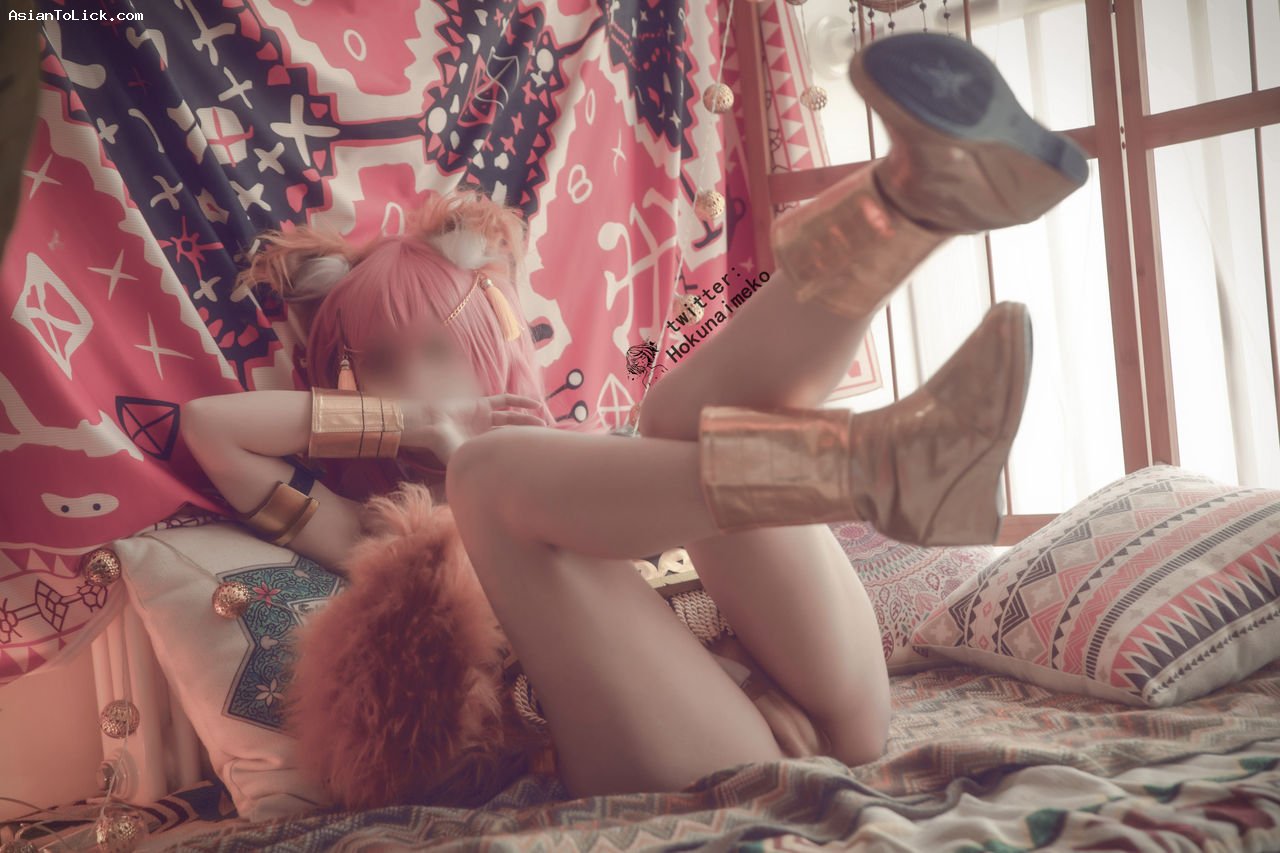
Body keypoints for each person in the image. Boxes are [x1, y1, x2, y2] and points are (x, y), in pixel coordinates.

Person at [180, 31, 1088, 801]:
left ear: (489, 340)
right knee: (489, 474)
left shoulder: (598, 463)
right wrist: (419, 430)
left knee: (677, 408)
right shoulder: (378, 530)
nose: (417, 375)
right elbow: (212, 434)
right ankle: (871, 463)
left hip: (824, 692)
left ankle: (917, 199)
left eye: (438, 346)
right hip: (685, 749)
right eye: (383, 361)